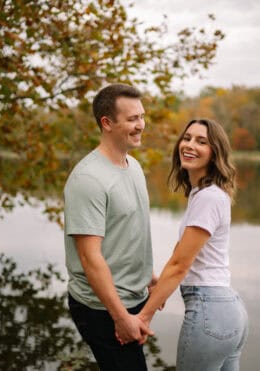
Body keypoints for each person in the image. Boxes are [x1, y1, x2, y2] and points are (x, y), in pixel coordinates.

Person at [135, 118, 249, 371]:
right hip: (230, 311)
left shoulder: (208, 198)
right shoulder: (204, 194)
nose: (189, 145)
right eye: (187, 138)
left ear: (215, 152)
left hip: (210, 311)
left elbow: (179, 265)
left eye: (201, 141)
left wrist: (144, 316)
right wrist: (160, 286)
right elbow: (181, 254)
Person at [63, 83, 156, 371]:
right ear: (107, 123)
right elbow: (90, 258)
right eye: (132, 119)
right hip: (102, 307)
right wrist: (119, 317)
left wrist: (147, 275)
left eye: (141, 116)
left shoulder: (134, 166)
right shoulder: (88, 179)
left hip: (133, 298)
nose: (140, 125)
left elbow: (127, 231)